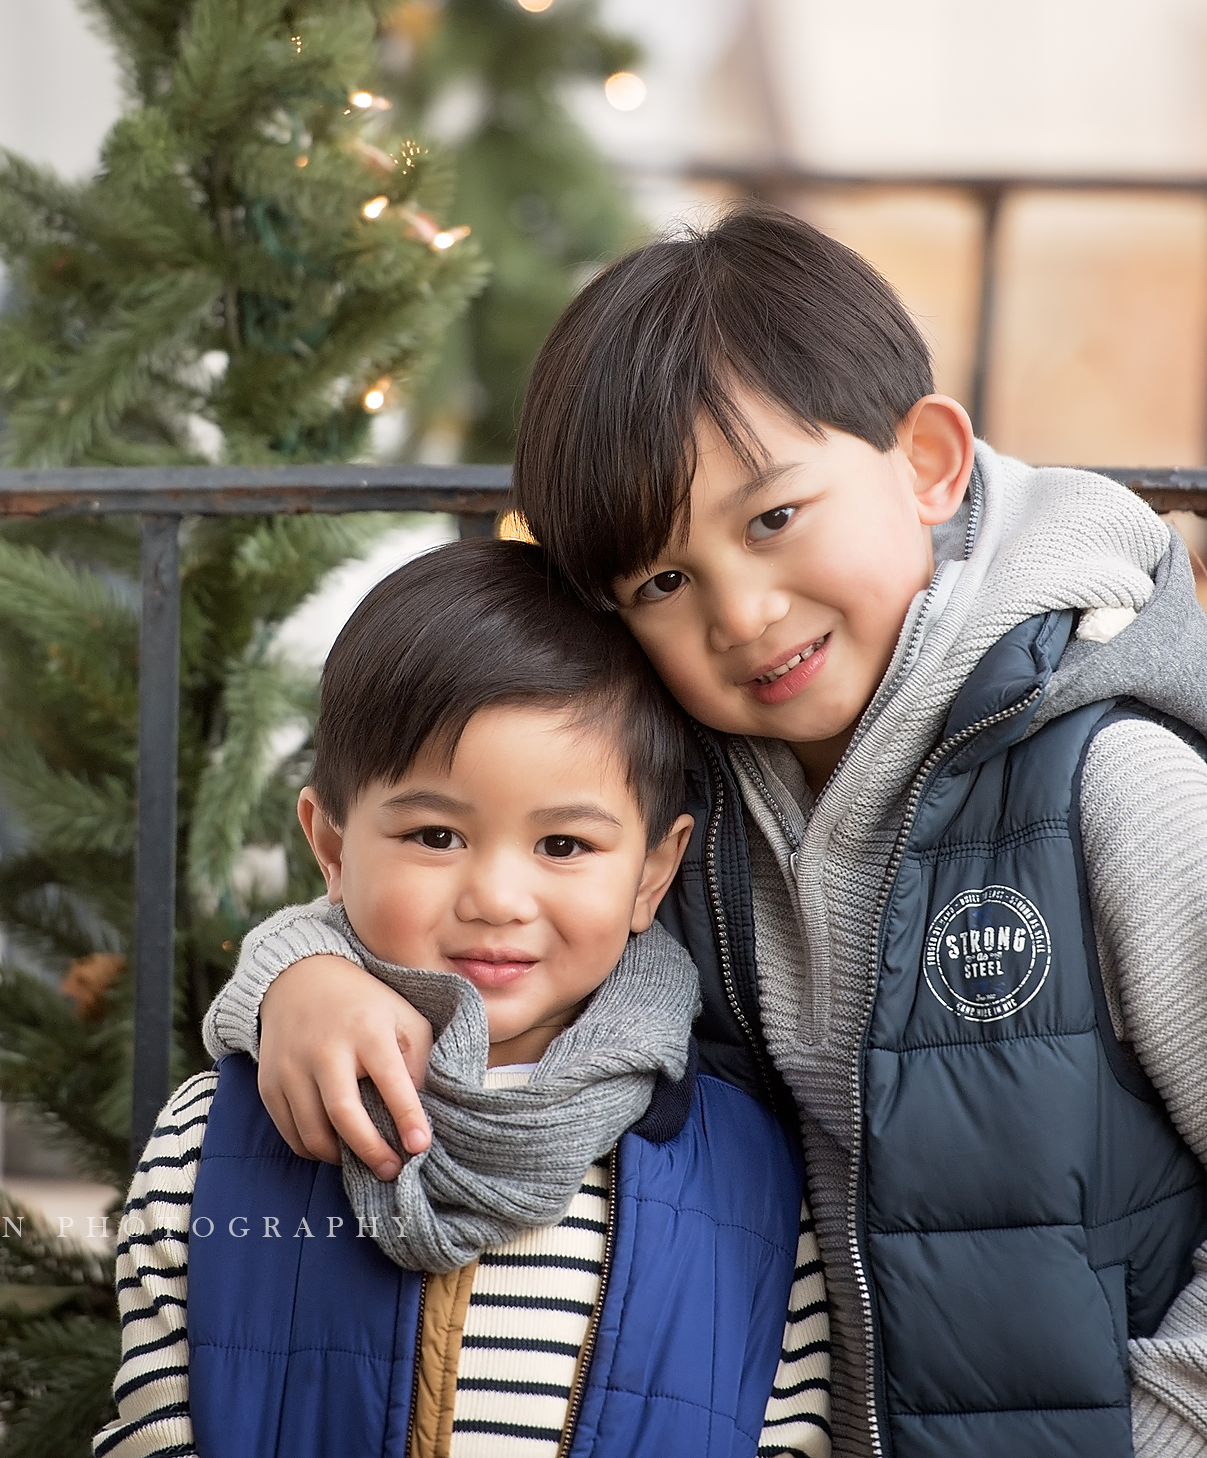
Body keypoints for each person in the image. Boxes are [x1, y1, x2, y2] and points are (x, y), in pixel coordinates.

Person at [205, 206, 1207, 1458]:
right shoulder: (701, 807)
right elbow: (482, 901)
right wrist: (301, 970)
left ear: (928, 461)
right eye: (663, 583)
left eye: (772, 517)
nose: (741, 610)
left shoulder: (1099, 781)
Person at [93, 539, 834, 1458]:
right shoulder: (217, 1134)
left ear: (654, 872)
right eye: (437, 833)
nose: (496, 897)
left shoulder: (742, 1169)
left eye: (564, 845)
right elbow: (154, 1431)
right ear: (329, 841)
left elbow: (788, 1434)